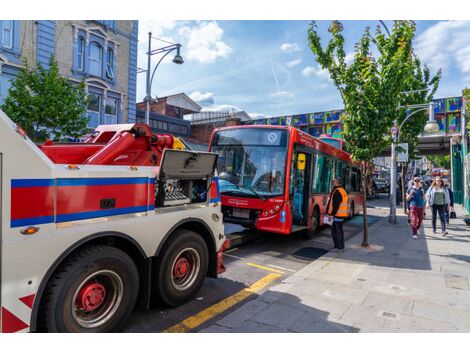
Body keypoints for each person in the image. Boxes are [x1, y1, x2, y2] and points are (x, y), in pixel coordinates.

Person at [326, 178, 350, 252]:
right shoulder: (342, 191)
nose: (333, 183)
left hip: (336, 215)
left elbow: (335, 205)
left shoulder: (337, 191)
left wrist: (331, 214)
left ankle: (339, 247)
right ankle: (339, 247)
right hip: (340, 215)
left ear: (338, 183)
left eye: (335, 182)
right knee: (339, 231)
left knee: (336, 232)